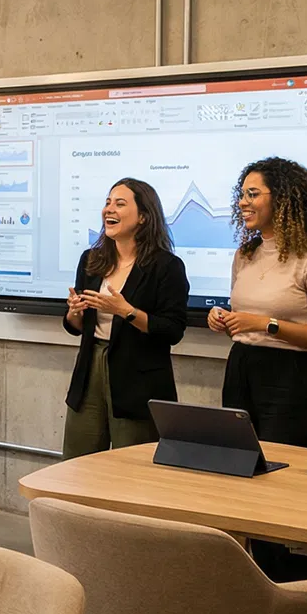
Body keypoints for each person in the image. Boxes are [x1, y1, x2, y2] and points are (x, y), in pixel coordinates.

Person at [206, 157, 307, 581]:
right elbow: (245, 317)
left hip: (292, 378)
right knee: (240, 477)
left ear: (284, 199)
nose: (242, 202)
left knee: (281, 492)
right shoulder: (246, 254)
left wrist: (265, 324)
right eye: (242, 194)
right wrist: (223, 319)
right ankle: (253, 589)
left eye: (253, 194)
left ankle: (293, 591)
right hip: (242, 367)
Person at [62, 178, 190, 459]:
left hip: (137, 381)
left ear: (143, 216)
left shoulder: (166, 266)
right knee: (76, 463)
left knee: (131, 467)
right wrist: (75, 312)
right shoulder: (91, 259)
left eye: (120, 204)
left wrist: (126, 311)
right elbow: (77, 326)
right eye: (107, 202)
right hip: (89, 371)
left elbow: (172, 330)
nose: (109, 209)